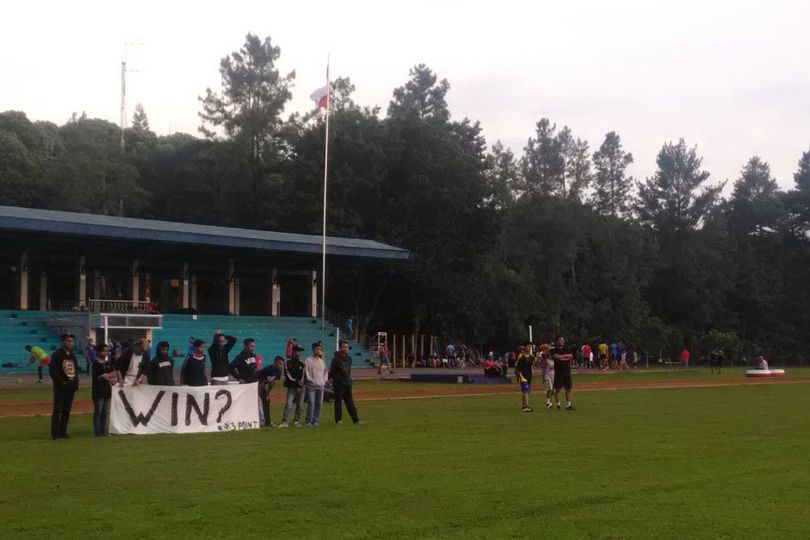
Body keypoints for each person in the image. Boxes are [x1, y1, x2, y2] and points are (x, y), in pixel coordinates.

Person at [49, 333, 79, 440]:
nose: (70, 343)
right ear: (63, 342)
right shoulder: (56, 355)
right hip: (60, 387)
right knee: (58, 410)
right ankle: (55, 433)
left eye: (72, 341)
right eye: (68, 341)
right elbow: (53, 372)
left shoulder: (72, 355)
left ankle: (63, 432)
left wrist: (75, 383)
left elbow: (75, 371)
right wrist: (62, 382)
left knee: (67, 410)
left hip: (70, 388)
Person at [329, 340, 362, 424]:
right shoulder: (335, 359)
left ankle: (355, 419)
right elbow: (332, 372)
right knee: (338, 402)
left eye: (347, 347)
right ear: (340, 348)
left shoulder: (349, 359)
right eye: (344, 347)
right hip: (338, 384)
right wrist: (331, 379)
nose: (346, 349)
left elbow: (348, 371)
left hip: (347, 383)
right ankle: (338, 420)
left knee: (350, 402)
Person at [91, 343, 117, 436]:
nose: (106, 353)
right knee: (98, 412)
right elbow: (104, 376)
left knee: (105, 412)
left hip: (106, 391)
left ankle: (103, 431)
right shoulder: (96, 363)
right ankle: (97, 432)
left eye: (107, 351)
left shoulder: (107, 363)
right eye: (104, 351)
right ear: (99, 352)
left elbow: (111, 374)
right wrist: (111, 378)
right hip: (98, 391)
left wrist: (111, 378)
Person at [279, 345, 306, 427]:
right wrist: (297, 383)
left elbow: (303, 375)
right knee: (289, 404)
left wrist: (300, 384)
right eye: (298, 351)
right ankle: (285, 421)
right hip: (291, 387)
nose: (299, 353)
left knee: (300, 405)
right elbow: (288, 375)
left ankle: (296, 421)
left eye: (300, 351)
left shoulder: (302, 364)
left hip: (301, 387)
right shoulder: (287, 362)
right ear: (293, 351)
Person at [304, 341, 329, 427]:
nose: (318, 350)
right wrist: (310, 380)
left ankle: (315, 420)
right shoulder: (308, 360)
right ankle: (308, 420)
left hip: (320, 386)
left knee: (319, 404)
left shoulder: (322, 361)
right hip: (311, 386)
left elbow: (325, 372)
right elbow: (306, 372)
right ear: (313, 349)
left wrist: (324, 380)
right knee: (311, 403)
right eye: (316, 349)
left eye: (320, 349)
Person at [256, 356, 284, 427]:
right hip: (254, 383)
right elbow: (261, 382)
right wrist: (258, 395)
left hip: (261, 384)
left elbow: (272, 382)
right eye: (280, 364)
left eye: (282, 364)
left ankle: (267, 422)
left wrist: (267, 394)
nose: (281, 366)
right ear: (275, 363)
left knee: (266, 402)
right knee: (255, 402)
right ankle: (254, 420)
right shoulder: (268, 370)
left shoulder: (279, 370)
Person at [551, 335, 575, 410]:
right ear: (557, 341)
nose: (562, 341)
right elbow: (556, 357)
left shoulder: (567, 349)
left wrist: (562, 357)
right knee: (558, 389)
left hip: (567, 371)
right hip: (559, 372)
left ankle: (569, 404)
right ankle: (558, 404)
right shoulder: (554, 349)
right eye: (561, 340)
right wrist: (565, 357)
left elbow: (571, 356)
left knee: (569, 388)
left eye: (563, 340)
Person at [515, 344, 534, 412]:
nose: (529, 348)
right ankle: (527, 406)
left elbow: (536, 364)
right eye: (528, 346)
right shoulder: (521, 356)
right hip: (522, 375)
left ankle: (523, 406)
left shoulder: (532, 357)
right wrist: (517, 375)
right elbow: (516, 365)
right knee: (526, 390)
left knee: (526, 392)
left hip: (529, 375)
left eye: (530, 347)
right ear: (525, 347)